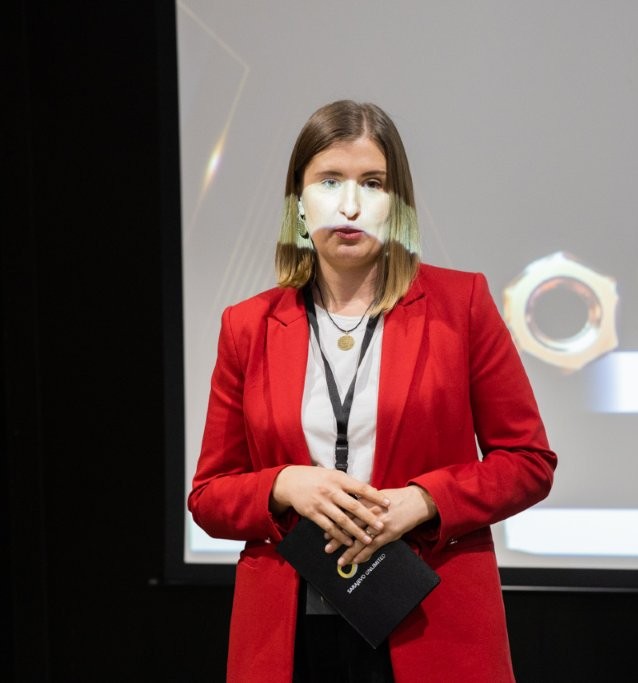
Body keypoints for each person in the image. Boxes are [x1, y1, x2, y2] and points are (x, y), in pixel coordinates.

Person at [188, 100, 557, 682]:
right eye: (329, 181)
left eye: (373, 183)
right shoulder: (247, 325)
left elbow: (528, 462)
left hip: (428, 623)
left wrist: (424, 501)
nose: (350, 204)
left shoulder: (461, 306)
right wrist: (284, 484)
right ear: (299, 202)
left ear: (397, 202)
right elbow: (210, 496)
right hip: (290, 633)